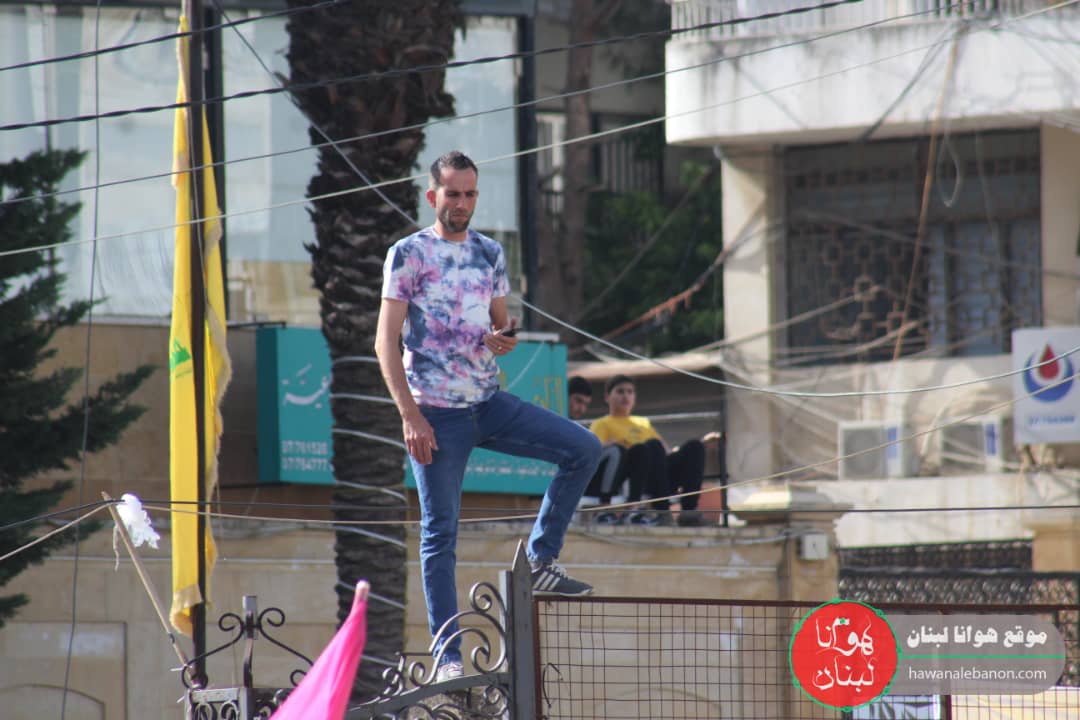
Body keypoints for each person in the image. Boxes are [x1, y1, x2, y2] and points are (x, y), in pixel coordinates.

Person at [376, 151, 602, 682]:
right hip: (436, 414)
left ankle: (541, 561)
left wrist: (504, 337)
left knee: (584, 448)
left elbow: (500, 325)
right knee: (440, 534)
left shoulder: (489, 252)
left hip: (488, 403)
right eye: (452, 194)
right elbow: (385, 343)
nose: (462, 203)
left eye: (470, 194)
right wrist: (410, 416)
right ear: (432, 196)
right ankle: (449, 659)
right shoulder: (408, 254)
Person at [589, 374, 706, 527]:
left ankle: (689, 511)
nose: (626, 396)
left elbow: (666, 451)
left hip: (660, 473)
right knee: (648, 447)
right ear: (607, 397)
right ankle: (663, 510)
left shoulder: (643, 422)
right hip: (633, 476)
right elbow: (597, 452)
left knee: (695, 446)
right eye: (620, 391)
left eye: (630, 392)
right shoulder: (602, 423)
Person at [567, 375, 626, 518]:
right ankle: (605, 506)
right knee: (614, 451)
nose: (582, 409)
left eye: (586, 404)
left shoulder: (578, 427)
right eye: (578, 401)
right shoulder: (553, 420)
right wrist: (604, 445)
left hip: (581, 480)